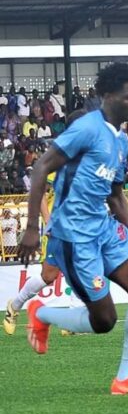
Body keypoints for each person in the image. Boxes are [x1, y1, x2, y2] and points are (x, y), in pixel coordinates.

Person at [17, 62, 128, 395]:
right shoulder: (87, 129)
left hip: (104, 228)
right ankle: (41, 313)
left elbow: (116, 196)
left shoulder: (121, 140)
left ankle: (126, 379)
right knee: (104, 321)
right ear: (108, 95)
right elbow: (41, 167)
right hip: (74, 236)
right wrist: (31, 226)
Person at [5, 109, 88, 336]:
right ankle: (15, 305)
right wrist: (48, 221)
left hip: (77, 226)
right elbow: (39, 190)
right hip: (57, 226)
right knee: (49, 276)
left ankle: (72, 320)